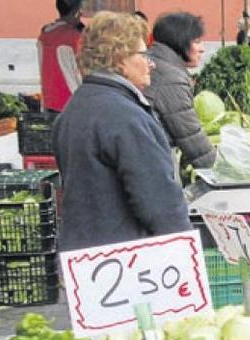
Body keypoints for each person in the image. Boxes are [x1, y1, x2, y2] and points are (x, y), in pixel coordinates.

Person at [53, 12, 192, 252]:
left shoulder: (72, 110)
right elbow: (161, 206)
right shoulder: (126, 118)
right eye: (143, 54)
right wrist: (186, 252)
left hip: (83, 257)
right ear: (118, 59)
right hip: (125, 261)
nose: (151, 63)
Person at [144, 12, 216, 169]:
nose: (202, 49)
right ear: (180, 42)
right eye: (197, 42)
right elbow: (191, 136)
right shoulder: (171, 78)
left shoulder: (154, 61)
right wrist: (219, 172)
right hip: (154, 162)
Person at [37, 0, 84, 112]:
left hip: (49, 101)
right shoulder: (75, 37)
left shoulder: (44, 36)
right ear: (77, 12)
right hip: (73, 102)